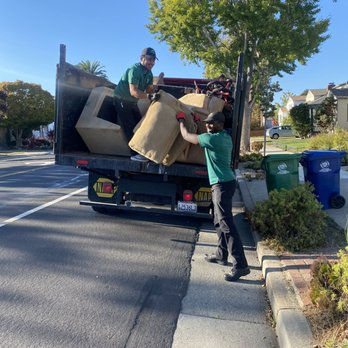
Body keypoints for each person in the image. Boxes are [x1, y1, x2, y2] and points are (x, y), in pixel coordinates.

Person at [176, 111, 250, 282]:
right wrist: (198, 121)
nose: (208, 125)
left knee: (226, 224)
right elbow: (205, 132)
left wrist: (181, 120)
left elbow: (187, 136)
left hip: (221, 185)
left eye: (212, 123)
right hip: (225, 183)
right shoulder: (223, 136)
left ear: (220, 124)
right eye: (207, 122)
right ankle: (221, 255)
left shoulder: (213, 139)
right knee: (218, 220)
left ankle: (241, 265)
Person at [113, 47, 160, 162]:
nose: (151, 62)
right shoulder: (135, 70)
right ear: (142, 58)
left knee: (140, 125)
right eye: (149, 59)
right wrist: (149, 97)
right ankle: (134, 154)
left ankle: (142, 151)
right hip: (121, 100)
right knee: (130, 126)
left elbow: (149, 90)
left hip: (132, 102)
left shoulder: (149, 73)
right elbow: (134, 92)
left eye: (153, 60)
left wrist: (156, 95)